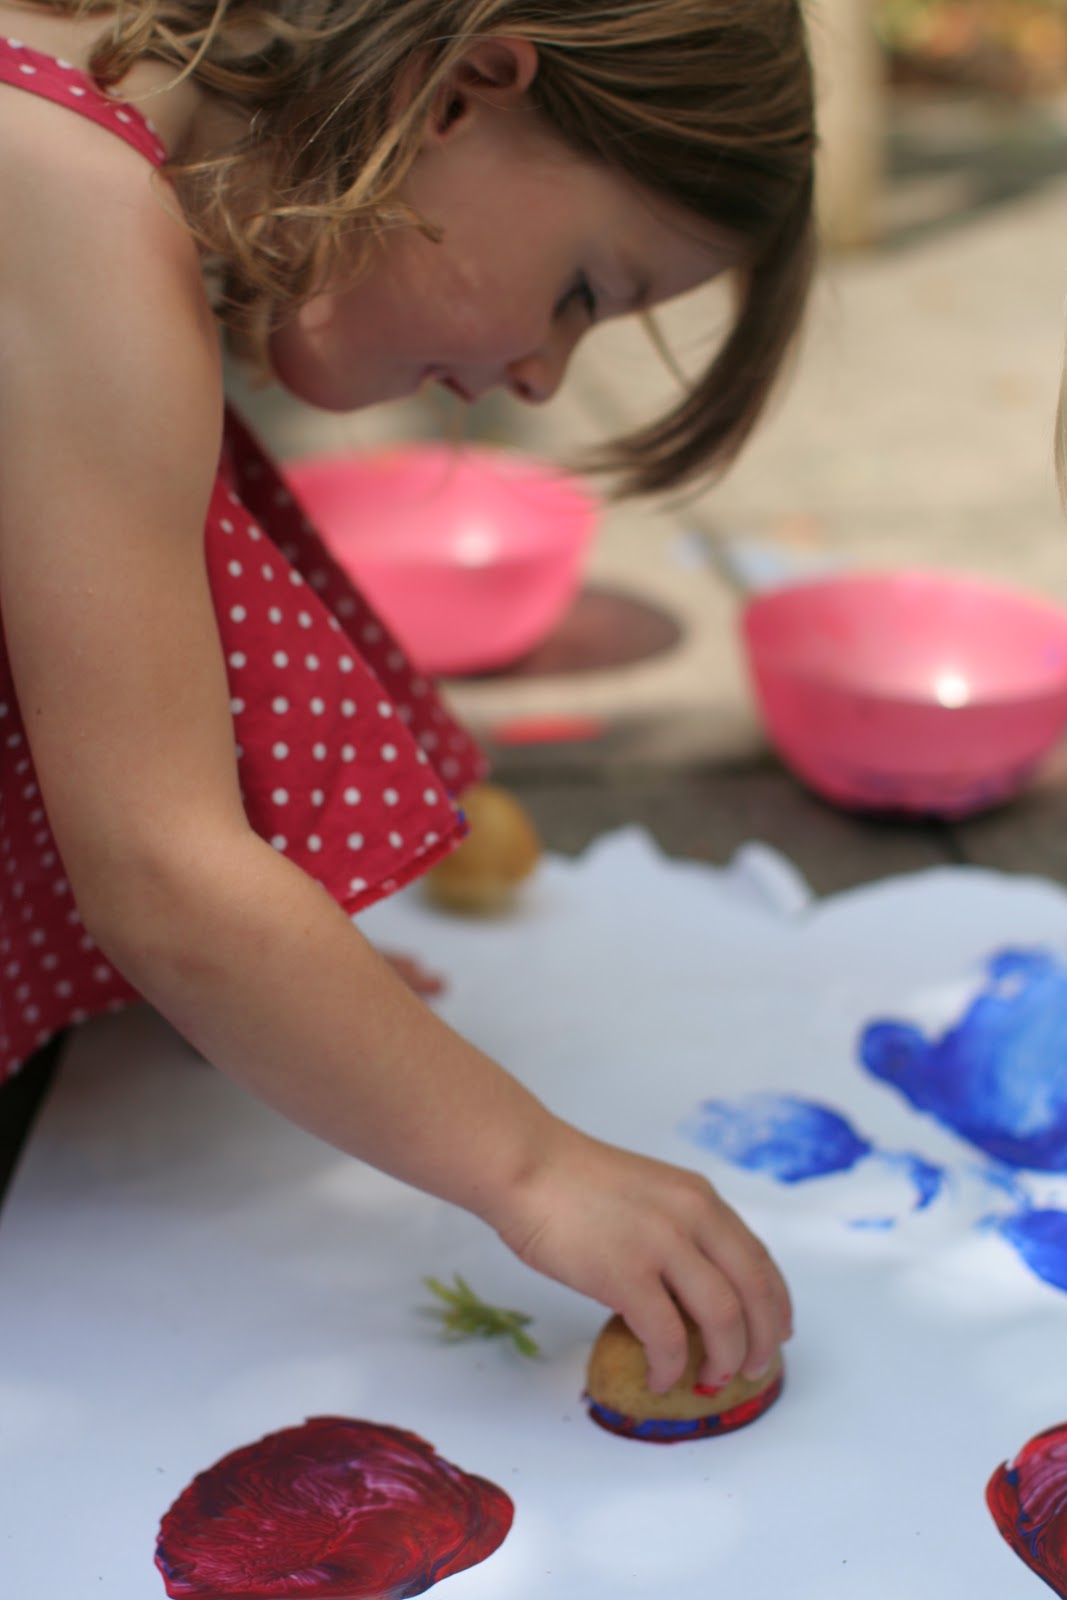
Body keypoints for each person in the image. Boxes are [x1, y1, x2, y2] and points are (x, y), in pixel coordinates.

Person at [0, 0, 815, 1395]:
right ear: (462, 93)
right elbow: (160, 866)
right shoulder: (63, 202)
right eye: (585, 289)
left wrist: (292, 1008)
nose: (550, 373)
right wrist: (533, 1165)